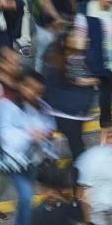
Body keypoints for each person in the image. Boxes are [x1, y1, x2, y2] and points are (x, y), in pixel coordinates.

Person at [0, 68, 56, 225]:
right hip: (13, 162)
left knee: (25, 198)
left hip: (32, 160)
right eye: (30, 88)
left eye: (38, 92)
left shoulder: (42, 106)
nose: (34, 94)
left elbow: (49, 126)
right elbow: (5, 134)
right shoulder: (8, 105)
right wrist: (30, 134)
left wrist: (45, 134)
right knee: (27, 196)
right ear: (21, 86)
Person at [42, 28, 96, 190]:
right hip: (64, 113)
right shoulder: (57, 60)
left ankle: (72, 178)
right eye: (74, 37)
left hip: (75, 112)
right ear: (66, 42)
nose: (79, 39)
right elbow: (76, 80)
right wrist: (91, 81)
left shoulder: (81, 57)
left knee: (75, 145)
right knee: (76, 147)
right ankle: (69, 180)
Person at [0, 46, 24, 221]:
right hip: (2, 136)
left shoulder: (20, 79)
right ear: (0, 62)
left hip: (19, 133)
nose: (16, 64)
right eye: (11, 61)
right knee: (4, 174)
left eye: (17, 61)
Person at [79, 0, 112, 130]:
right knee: (84, 101)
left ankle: (105, 142)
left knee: (106, 106)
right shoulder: (84, 9)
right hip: (90, 64)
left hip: (110, 66)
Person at [32, 0, 77, 72]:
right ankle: (39, 80)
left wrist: (73, 14)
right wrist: (57, 18)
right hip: (51, 21)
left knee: (65, 56)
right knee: (45, 55)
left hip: (66, 18)